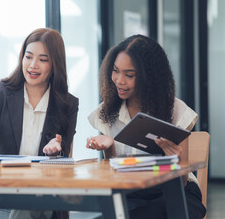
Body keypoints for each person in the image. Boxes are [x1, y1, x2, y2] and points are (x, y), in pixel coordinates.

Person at [0, 28, 79, 219]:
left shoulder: (67, 104)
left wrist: (56, 152)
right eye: (28, 57)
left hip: (41, 192)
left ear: (55, 65)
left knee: (26, 206)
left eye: (43, 60)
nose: (33, 65)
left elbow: (65, 154)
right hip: (0, 188)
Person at [86, 34, 206, 219]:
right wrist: (109, 147)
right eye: (115, 70)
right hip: (131, 194)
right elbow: (115, 178)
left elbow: (181, 184)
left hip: (174, 194)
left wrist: (175, 160)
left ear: (149, 77)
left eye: (129, 75)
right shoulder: (107, 111)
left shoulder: (176, 110)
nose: (119, 80)